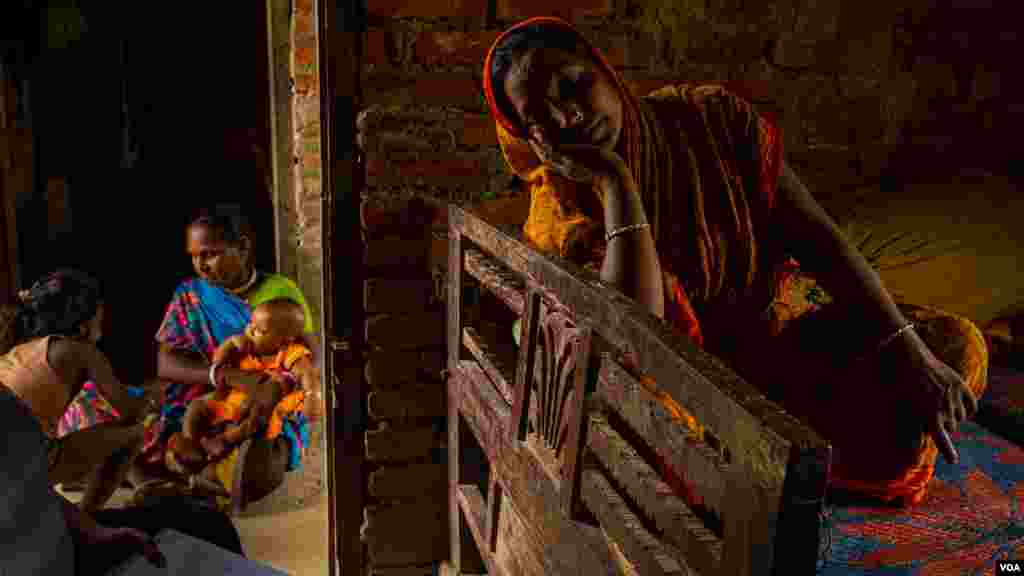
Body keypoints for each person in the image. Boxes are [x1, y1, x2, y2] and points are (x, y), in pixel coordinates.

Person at [482, 17, 987, 505]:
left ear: (603, 70)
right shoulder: (562, 210)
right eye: (539, 117)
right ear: (532, 140)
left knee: (952, 348)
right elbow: (634, 339)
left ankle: (760, 477)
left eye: (573, 85)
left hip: (775, 364)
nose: (568, 115)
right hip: (677, 394)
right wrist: (615, 182)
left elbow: (817, 237)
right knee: (646, 424)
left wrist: (912, 352)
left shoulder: (710, 120)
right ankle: (743, 482)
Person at [0, 269, 245, 575]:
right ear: (85, 322)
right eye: (100, 317)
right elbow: (128, 411)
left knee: (103, 424)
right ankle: (89, 514)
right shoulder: (81, 351)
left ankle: (119, 501)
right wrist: (151, 397)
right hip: (35, 462)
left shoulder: (23, 349)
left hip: (14, 464)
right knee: (131, 434)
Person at [137, 204, 323, 511]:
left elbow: (309, 360)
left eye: (210, 253)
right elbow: (166, 364)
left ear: (243, 247)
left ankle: (192, 483)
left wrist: (273, 385)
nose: (201, 265)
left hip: (260, 407)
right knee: (113, 415)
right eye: (194, 256)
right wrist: (223, 375)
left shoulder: (280, 293)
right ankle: (194, 479)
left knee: (256, 453)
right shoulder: (190, 295)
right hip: (207, 402)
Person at [168, 298, 316, 471]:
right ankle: (191, 444)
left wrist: (313, 395)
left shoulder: (291, 353)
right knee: (197, 406)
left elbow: (307, 373)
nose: (250, 330)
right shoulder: (247, 347)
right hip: (232, 401)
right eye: (250, 324)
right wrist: (229, 344)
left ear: (282, 342)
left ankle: (225, 441)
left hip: (265, 409)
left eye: (259, 330)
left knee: (256, 416)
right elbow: (218, 363)